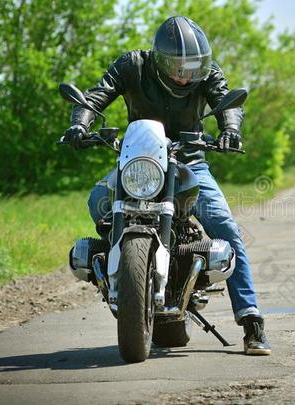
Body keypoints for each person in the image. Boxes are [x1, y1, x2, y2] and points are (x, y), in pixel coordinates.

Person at [63, 16, 270, 355]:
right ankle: (122, 266)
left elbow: (226, 103)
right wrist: (80, 122)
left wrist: (231, 129)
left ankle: (252, 322)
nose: (185, 75)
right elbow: (98, 94)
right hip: (139, 163)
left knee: (226, 229)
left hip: (190, 163)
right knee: (98, 200)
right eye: (178, 67)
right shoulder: (133, 65)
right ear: (159, 58)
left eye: (193, 67)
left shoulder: (208, 73)